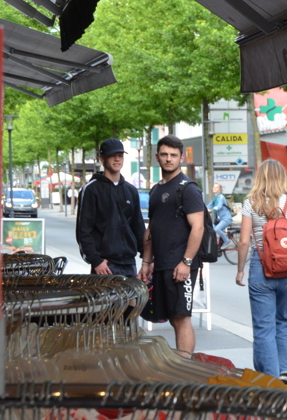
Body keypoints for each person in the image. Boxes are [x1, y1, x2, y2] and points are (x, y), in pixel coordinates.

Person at [235, 159, 287, 385]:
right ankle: (285, 370)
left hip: (260, 267)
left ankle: (271, 378)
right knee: (282, 319)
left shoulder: (250, 203)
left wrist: (240, 270)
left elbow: (244, 241)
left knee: (264, 326)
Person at [138, 135, 205, 353]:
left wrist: (186, 262)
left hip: (181, 265)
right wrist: (146, 262)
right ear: (157, 157)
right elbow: (151, 229)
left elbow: (198, 227)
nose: (169, 159)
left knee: (181, 318)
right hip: (162, 265)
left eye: (174, 155)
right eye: (165, 154)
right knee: (171, 319)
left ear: (182, 158)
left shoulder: (188, 189)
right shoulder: (156, 190)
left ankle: (185, 371)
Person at [76, 138, 146, 278]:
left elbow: (138, 228)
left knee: (131, 301)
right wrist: (96, 261)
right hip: (104, 266)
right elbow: (83, 231)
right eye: (112, 156)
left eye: (120, 155)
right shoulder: (91, 190)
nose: (117, 159)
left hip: (129, 265)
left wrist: (148, 260)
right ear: (102, 158)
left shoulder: (131, 190)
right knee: (105, 301)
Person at [209, 182, 233, 248]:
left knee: (217, 229)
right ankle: (217, 244)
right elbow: (209, 206)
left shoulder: (221, 197)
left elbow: (219, 206)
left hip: (226, 218)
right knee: (210, 227)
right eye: (214, 187)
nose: (214, 188)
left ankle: (227, 241)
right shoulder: (215, 198)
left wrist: (211, 210)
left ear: (220, 189)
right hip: (220, 219)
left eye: (216, 187)